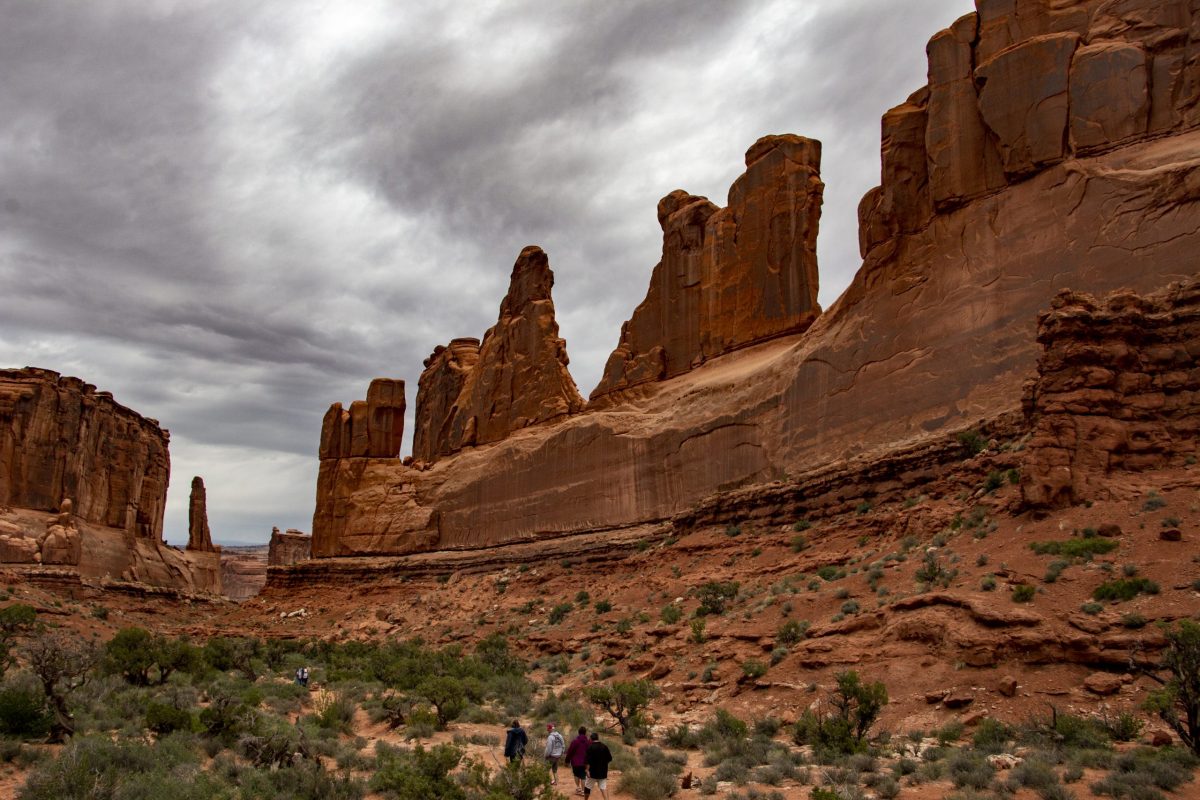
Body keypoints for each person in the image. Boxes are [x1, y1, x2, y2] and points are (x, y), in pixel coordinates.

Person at [584, 731, 612, 800]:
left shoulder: (590, 748)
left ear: (591, 739)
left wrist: (587, 770)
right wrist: (603, 764)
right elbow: (609, 758)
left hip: (592, 772)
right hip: (602, 772)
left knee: (587, 787)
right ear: (598, 738)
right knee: (603, 788)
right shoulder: (604, 747)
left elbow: (587, 761)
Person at [564, 725, 589, 794]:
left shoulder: (575, 741)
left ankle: (578, 788)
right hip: (584, 762)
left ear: (578, 732)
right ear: (585, 733)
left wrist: (567, 760)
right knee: (583, 776)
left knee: (576, 775)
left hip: (575, 762)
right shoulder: (587, 742)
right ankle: (583, 791)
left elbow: (570, 752)